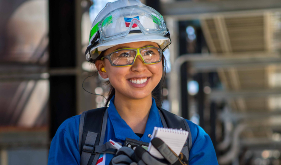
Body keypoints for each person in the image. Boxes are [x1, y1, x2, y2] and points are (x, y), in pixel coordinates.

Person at [48, 0, 219, 165]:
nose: (139, 66)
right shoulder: (73, 135)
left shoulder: (194, 139)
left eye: (149, 52)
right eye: (124, 54)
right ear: (102, 68)